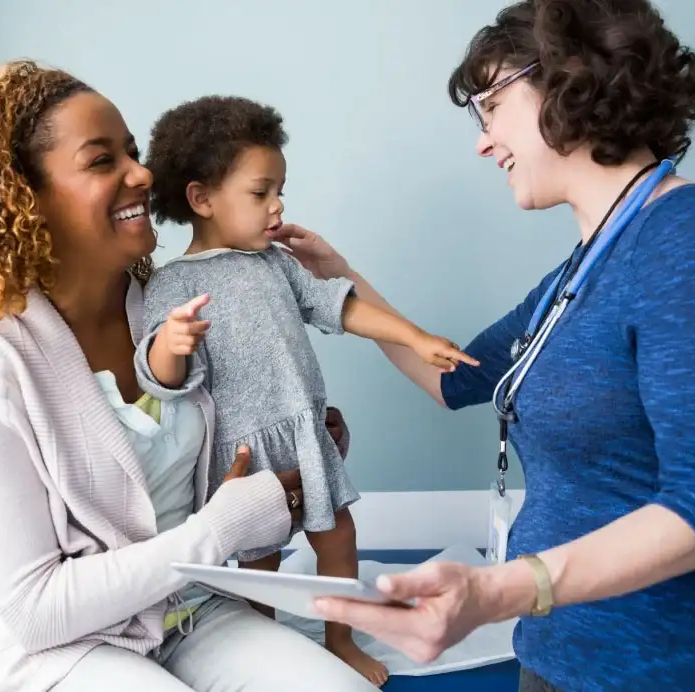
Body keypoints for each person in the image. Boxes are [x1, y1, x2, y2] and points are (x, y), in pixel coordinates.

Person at [271, 1, 695, 690]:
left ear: (569, 77)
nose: (483, 141)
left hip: (674, 664)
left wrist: (499, 590)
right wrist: (341, 278)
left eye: (491, 105)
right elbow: (451, 379)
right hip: (556, 652)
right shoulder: (574, 277)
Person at [0, 59, 380, 692]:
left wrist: (298, 452)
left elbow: (229, 453)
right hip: (60, 645)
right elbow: (38, 609)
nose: (143, 174)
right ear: (22, 198)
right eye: (101, 161)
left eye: (131, 151)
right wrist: (221, 528)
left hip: (187, 610)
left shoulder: (170, 310)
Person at [134, 95, 478, 686]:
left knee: (338, 537)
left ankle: (341, 641)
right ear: (202, 198)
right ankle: (259, 651)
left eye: (280, 190)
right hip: (245, 456)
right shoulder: (173, 284)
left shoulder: (278, 264)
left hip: (303, 431)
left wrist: (415, 337)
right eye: (261, 192)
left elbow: (340, 306)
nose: (279, 205)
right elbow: (157, 378)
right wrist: (171, 344)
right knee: (258, 566)